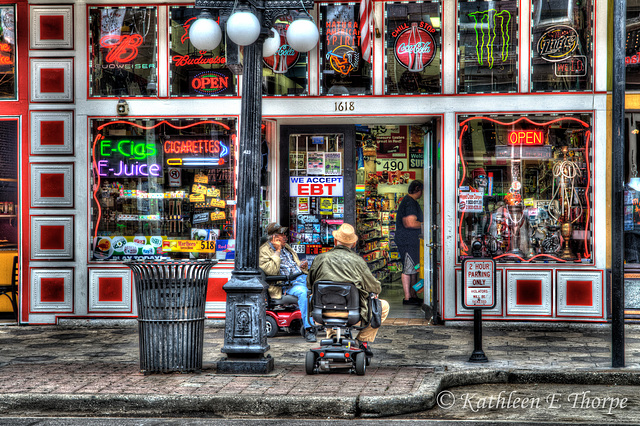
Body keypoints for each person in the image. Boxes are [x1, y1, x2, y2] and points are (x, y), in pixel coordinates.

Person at [306, 223, 390, 356]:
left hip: (322, 313)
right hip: (352, 314)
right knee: (383, 306)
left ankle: (333, 336)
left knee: (327, 299)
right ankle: (362, 341)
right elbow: (374, 287)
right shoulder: (358, 261)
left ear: (334, 241)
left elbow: (309, 284)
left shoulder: (320, 259)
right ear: (354, 243)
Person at [259, 222, 316, 342]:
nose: (285, 236)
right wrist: (277, 251)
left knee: (322, 285)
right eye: (282, 234)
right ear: (274, 237)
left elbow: (293, 265)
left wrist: (302, 266)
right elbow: (272, 271)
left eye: (284, 234)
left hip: (300, 277)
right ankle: (308, 328)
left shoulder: (287, 247)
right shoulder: (264, 251)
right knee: (304, 293)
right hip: (286, 284)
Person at [395, 179, 424, 305]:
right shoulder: (409, 203)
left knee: (413, 269)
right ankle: (407, 298)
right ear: (418, 189)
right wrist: (424, 224)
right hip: (407, 241)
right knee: (408, 268)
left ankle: (413, 295)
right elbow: (410, 223)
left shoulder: (410, 201)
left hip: (411, 240)